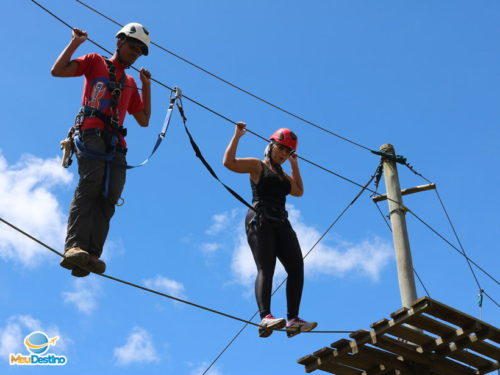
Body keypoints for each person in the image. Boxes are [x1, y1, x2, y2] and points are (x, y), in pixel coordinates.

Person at [51, 23, 152, 277]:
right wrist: (75, 43)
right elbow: (58, 71)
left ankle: (91, 254)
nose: (135, 53)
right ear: (119, 42)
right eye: (133, 47)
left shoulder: (130, 82)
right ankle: (75, 246)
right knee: (91, 184)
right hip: (91, 130)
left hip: (116, 142)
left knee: (110, 194)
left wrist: (145, 85)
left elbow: (143, 119)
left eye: (140, 51)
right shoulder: (95, 61)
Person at [223, 122, 317, 338]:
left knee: (296, 267)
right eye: (282, 149)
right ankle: (265, 317)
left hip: (281, 221)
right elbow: (228, 163)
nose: (284, 154)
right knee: (267, 267)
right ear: (271, 145)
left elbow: (299, 191)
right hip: (261, 218)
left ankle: (293, 319)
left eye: (288, 151)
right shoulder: (258, 166)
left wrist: (294, 165)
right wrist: (237, 136)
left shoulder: (284, 175)